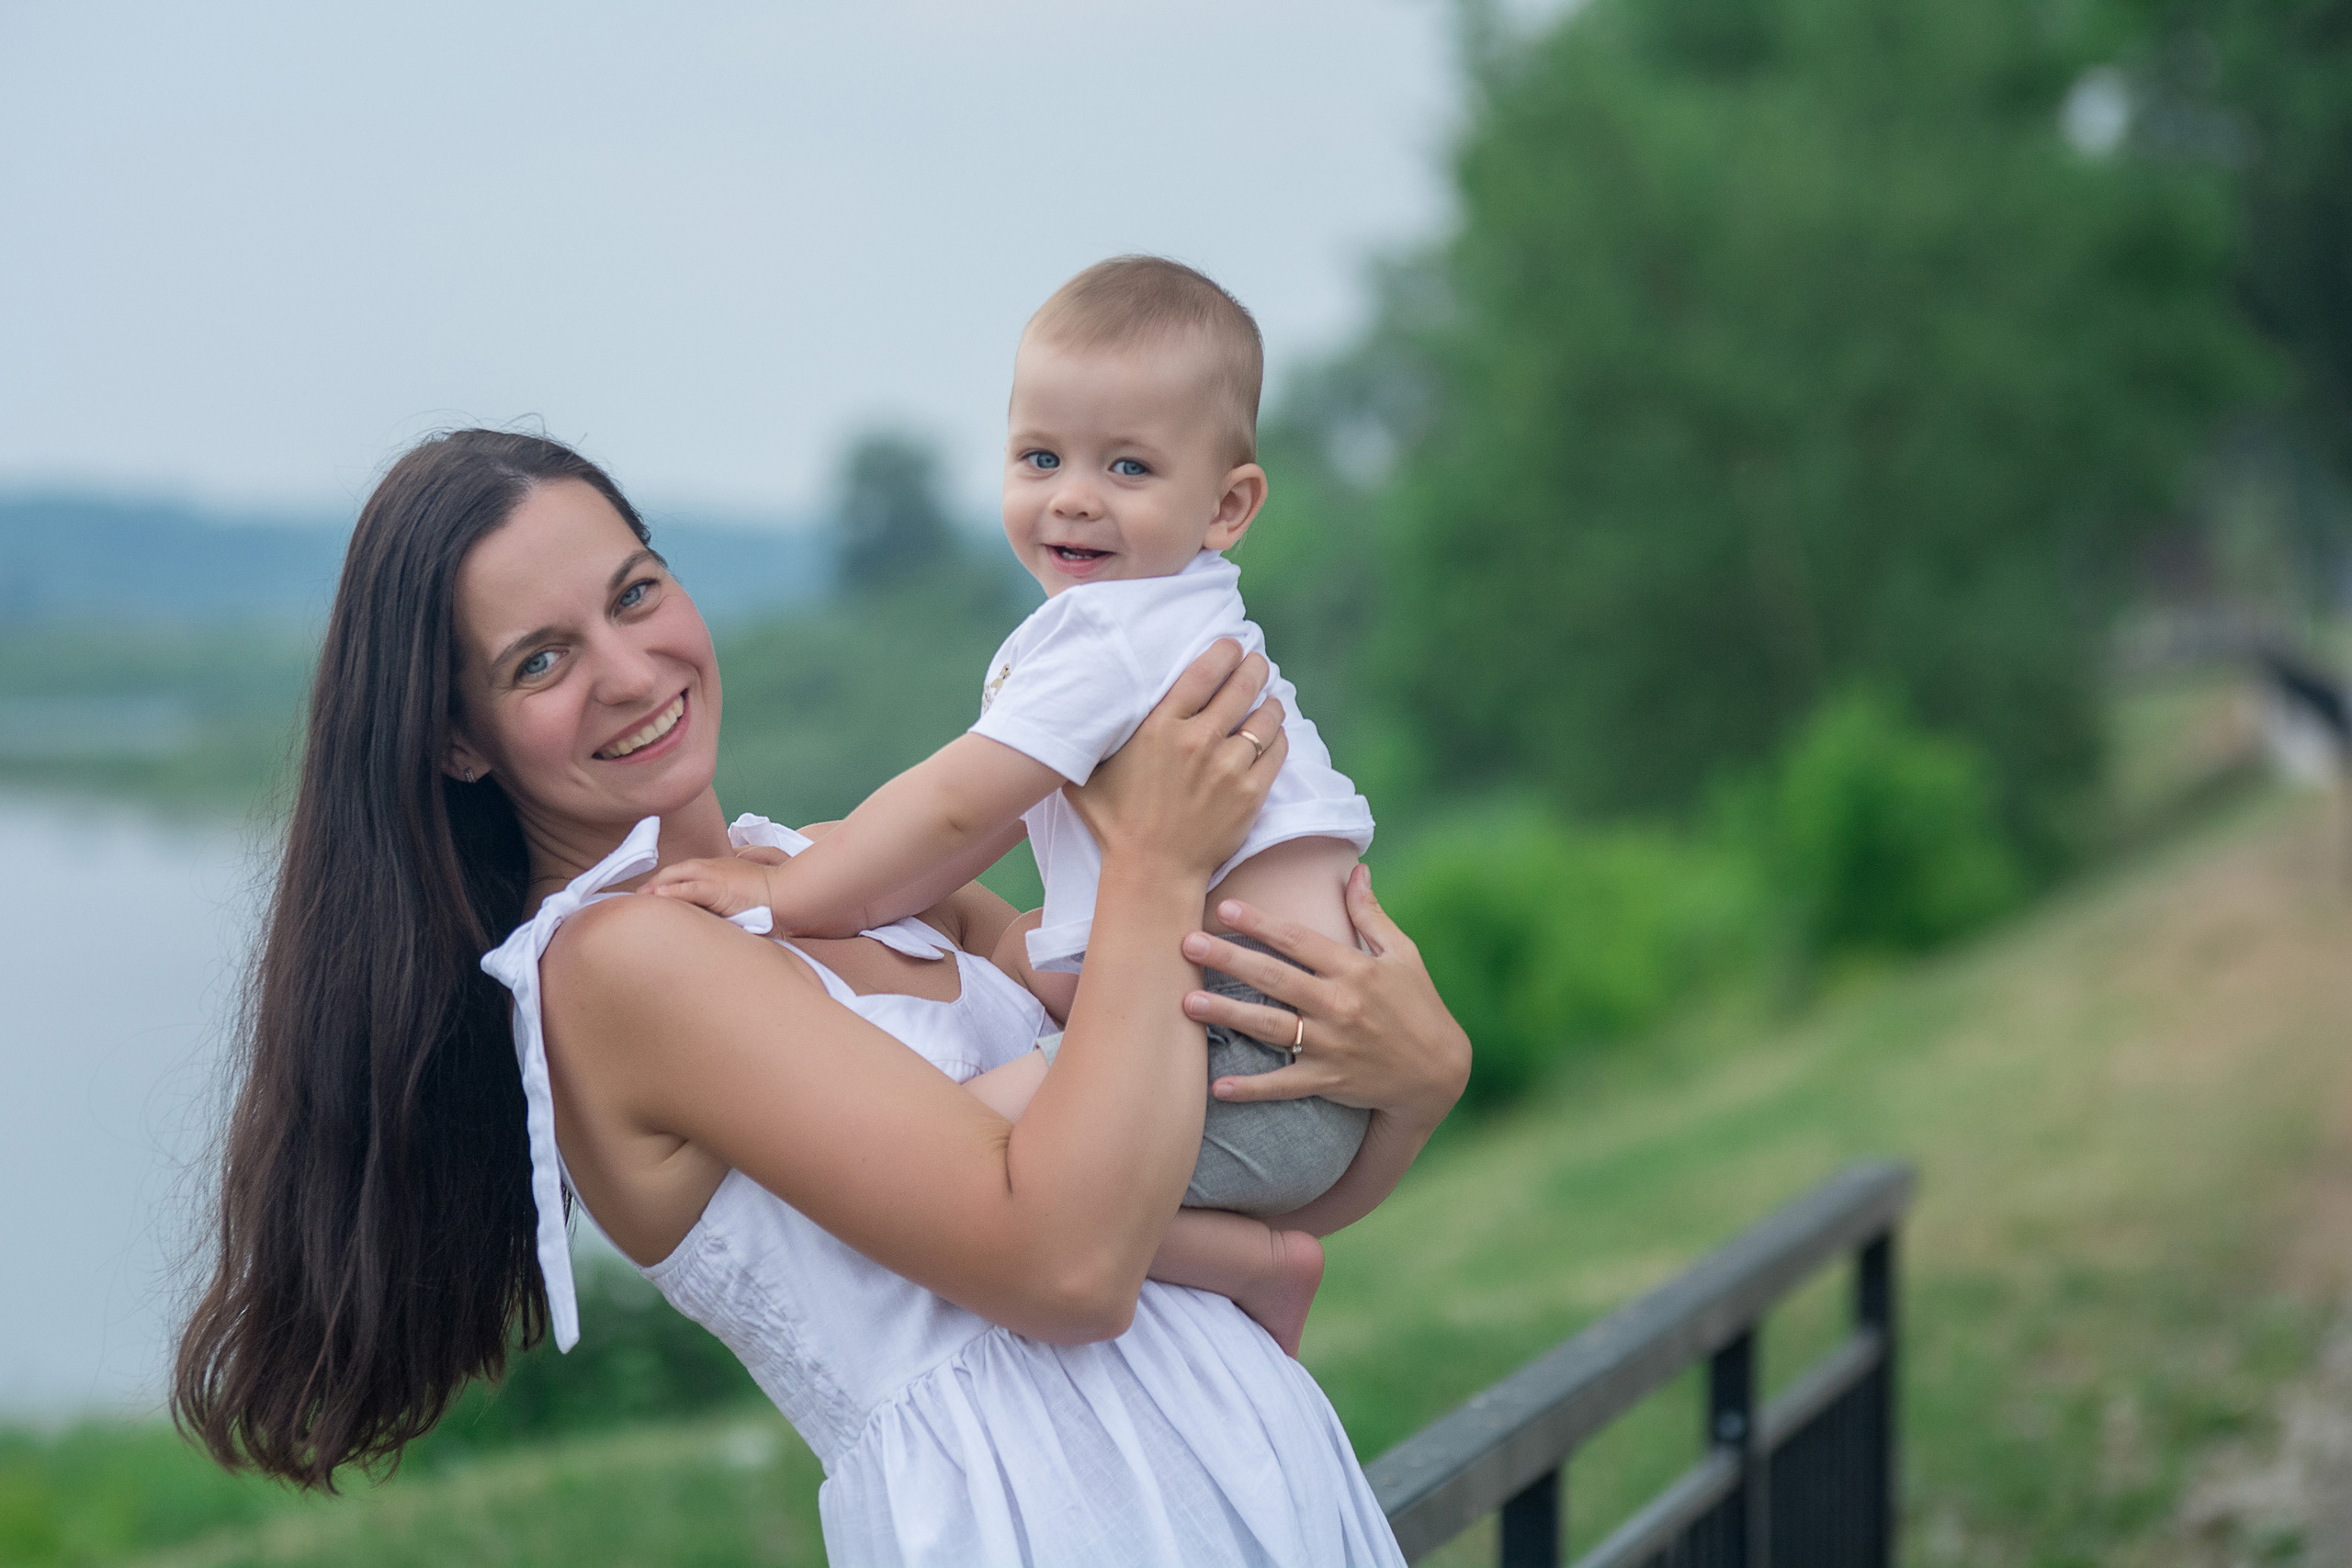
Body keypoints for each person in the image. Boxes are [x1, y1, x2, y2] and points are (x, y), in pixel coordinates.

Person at [173, 429, 1470, 1567]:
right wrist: (1156, 866)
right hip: (1042, 1513)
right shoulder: (615, 968)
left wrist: (1413, 1087)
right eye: (542, 661)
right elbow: (1072, 1267)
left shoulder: (840, 873)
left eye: (636, 592)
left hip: (1251, 1457)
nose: (629, 670)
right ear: (460, 740)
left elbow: (1200, 1159)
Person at [647, 259, 1377, 1281]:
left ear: (1227, 505)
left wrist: (788, 894)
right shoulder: (1173, 617)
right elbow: (982, 825)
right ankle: (1256, 1263)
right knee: (1026, 966)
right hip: (1295, 1046)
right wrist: (852, 873)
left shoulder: (1111, 637)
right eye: (1041, 457)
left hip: (1245, 1060)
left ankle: (1253, 1266)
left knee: (961, 1161)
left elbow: (957, 808)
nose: (1072, 498)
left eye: (1127, 468)